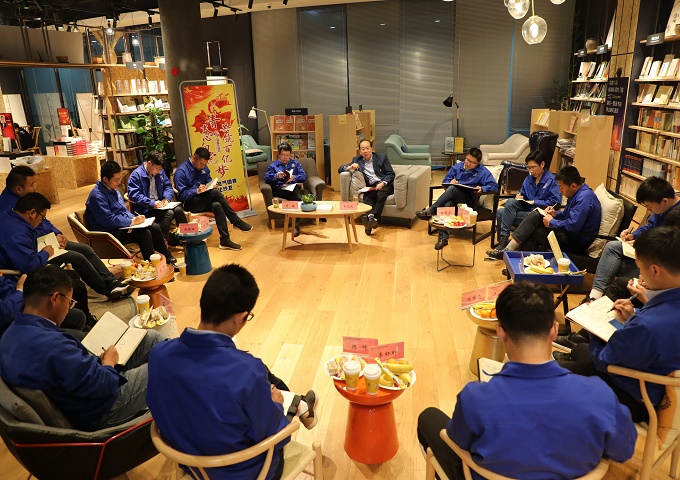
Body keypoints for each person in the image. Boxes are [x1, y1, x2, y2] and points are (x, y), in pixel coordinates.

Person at [417, 282, 636, 480]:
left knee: (428, 418)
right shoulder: (599, 395)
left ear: (501, 332)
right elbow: (624, 450)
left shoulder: (474, 399)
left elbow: (458, 441)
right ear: (554, 330)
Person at [147, 264, 318, 480]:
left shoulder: (159, 355)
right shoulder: (247, 372)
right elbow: (277, 437)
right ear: (240, 317)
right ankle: (300, 405)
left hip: (192, 466)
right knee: (270, 394)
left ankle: (300, 404)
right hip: (247, 473)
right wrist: (276, 405)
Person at [0, 265, 165, 430]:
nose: (68, 309)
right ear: (55, 298)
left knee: (150, 338)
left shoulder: (10, 334)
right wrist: (108, 363)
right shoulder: (53, 345)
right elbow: (102, 386)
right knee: (164, 366)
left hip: (84, 391)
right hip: (102, 408)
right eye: (70, 302)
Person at [556, 227, 680, 422]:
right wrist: (632, 316)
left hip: (634, 395)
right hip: (648, 378)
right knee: (579, 349)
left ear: (655, 270)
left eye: (640, 268)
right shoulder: (665, 307)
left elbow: (605, 360)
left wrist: (594, 324)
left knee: (547, 371)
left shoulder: (648, 325)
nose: (640, 275)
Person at [0, 165, 132, 300]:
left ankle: (111, 282)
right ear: (18, 189)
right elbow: (27, 259)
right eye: (32, 184)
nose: (35, 188)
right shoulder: (10, 215)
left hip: (46, 242)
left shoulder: (26, 201)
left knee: (85, 249)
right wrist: (46, 251)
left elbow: (43, 220)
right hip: (36, 250)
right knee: (78, 258)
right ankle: (108, 290)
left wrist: (57, 233)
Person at [0, 192, 92, 329]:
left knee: (72, 275)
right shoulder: (17, 234)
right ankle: (80, 324)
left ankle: (84, 320)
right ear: (32, 213)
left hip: (20, 274)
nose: (41, 222)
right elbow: (30, 266)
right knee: (75, 286)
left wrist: (54, 237)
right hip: (19, 281)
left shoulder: (11, 217)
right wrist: (45, 253)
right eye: (42, 217)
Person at [585, 176, 680, 304]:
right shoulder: (661, 208)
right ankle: (594, 296)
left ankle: (597, 302)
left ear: (664, 201)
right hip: (649, 252)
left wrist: (645, 245)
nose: (649, 211)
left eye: (649, 207)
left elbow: (671, 249)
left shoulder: (676, 218)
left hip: (661, 261)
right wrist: (633, 235)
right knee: (612, 247)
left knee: (615, 266)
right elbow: (649, 226)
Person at [487, 166, 601, 259]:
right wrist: (555, 214)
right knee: (536, 217)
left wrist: (552, 222)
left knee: (535, 230)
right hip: (570, 234)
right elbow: (567, 215)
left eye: (561, 188)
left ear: (573, 186)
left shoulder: (584, 199)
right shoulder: (577, 194)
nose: (560, 191)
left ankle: (512, 254)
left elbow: (573, 226)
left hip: (575, 241)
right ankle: (512, 255)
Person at [85, 161, 178, 268]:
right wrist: (131, 221)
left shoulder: (113, 190)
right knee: (144, 233)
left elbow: (123, 211)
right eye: (116, 180)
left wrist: (136, 219)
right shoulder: (97, 196)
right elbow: (108, 220)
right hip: (108, 232)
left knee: (154, 227)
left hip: (120, 226)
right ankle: (152, 267)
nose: (119, 182)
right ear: (105, 179)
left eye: (120, 179)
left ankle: (167, 259)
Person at [415, 148, 498, 250]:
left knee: (453, 189)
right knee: (448, 203)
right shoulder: (458, 167)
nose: (468, 164)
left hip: (470, 202)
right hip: (454, 199)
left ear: (478, 163)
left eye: (472, 162)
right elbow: (445, 180)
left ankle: (430, 211)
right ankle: (443, 239)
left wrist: (482, 188)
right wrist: (450, 181)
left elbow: (494, 186)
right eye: (467, 160)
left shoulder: (483, 171)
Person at [174, 147, 252, 251]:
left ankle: (225, 240)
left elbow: (209, 182)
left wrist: (212, 185)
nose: (203, 167)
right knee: (215, 193)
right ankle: (236, 221)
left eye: (205, 164)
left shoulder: (204, 168)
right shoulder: (181, 171)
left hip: (203, 200)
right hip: (190, 203)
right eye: (201, 164)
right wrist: (196, 191)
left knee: (217, 205)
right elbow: (181, 195)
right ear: (194, 158)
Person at [494, 150, 561, 251]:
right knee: (510, 203)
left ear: (542, 164)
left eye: (533, 167)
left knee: (501, 213)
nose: (531, 171)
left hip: (538, 215)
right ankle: (503, 240)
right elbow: (523, 194)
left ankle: (503, 244)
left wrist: (534, 202)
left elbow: (555, 202)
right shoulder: (528, 179)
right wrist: (520, 197)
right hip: (526, 209)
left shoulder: (552, 180)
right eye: (529, 168)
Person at [127, 150, 188, 242]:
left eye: (160, 169)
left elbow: (168, 186)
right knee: (169, 213)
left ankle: (186, 239)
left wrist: (166, 198)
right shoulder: (136, 175)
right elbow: (134, 195)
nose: (159, 171)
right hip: (145, 210)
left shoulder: (160, 172)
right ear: (149, 163)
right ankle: (162, 243)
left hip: (159, 206)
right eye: (157, 169)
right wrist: (152, 203)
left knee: (178, 210)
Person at [338, 139, 395, 235]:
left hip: (384, 184)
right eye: (363, 149)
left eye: (367, 148)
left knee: (380, 195)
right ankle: (371, 220)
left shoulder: (382, 157)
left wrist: (383, 183)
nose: (365, 151)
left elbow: (391, 174)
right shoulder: (357, 160)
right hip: (371, 186)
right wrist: (350, 167)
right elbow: (340, 169)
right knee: (367, 197)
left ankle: (371, 220)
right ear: (360, 151)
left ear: (371, 149)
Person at [264, 143, 307, 237]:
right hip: (280, 189)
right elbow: (266, 178)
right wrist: (276, 176)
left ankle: (295, 225)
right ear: (279, 155)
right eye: (283, 155)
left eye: (287, 155)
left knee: (295, 195)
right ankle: (296, 224)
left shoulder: (295, 164)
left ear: (290, 154)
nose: (285, 157)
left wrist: (294, 178)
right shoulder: (273, 166)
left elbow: (303, 176)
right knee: (298, 197)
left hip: (292, 187)